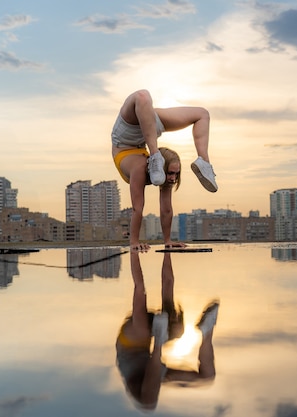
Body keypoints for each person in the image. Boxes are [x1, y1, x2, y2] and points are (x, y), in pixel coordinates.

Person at [111, 89, 218, 250]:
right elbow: (137, 208)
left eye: (176, 173)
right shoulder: (140, 168)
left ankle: (204, 161)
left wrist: (167, 241)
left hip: (147, 132)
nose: (173, 178)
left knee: (202, 114)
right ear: (161, 167)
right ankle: (154, 153)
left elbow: (166, 209)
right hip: (127, 137)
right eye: (171, 173)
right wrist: (134, 242)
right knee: (142, 96)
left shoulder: (164, 175)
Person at [116, 249, 219, 411]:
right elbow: (168, 281)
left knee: (148, 404)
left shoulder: (140, 326)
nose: (174, 318)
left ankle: (158, 341)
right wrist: (167, 251)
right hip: (151, 366)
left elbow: (139, 288)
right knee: (207, 376)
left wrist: (134, 254)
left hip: (130, 345)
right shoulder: (165, 319)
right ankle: (207, 330)